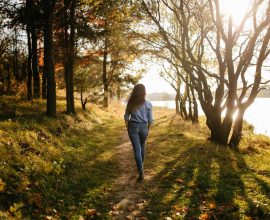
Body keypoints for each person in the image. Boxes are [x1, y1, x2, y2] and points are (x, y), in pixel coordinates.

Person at [124, 84, 153, 181]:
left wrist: (128, 128)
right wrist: (147, 130)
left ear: (134, 92)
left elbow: (126, 117)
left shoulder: (130, 103)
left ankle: (141, 171)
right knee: (142, 146)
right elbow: (150, 120)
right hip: (144, 127)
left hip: (133, 126)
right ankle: (141, 167)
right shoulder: (148, 104)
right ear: (144, 92)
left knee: (137, 149)